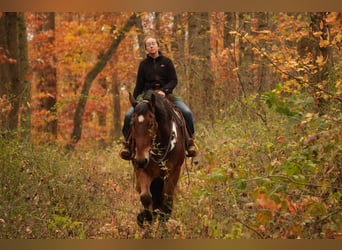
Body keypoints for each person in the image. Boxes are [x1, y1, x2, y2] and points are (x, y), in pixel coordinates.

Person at [120, 37, 198, 160]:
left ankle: (190, 142)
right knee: (129, 115)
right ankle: (128, 145)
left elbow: (174, 80)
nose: (151, 46)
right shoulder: (143, 65)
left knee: (187, 112)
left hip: (166, 95)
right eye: (148, 45)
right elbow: (139, 84)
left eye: (153, 44)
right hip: (146, 95)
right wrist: (135, 102)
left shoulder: (167, 62)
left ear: (158, 46)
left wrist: (164, 91)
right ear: (146, 49)